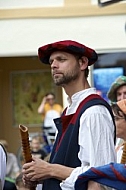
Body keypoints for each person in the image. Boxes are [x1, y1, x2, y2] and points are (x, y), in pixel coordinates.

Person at [22, 40, 116, 190]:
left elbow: (101, 178)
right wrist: (40, 176)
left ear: (83, 63)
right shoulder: (71, 109)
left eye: (61, 59)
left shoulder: (94, 111)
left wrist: (50, 169)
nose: (53, 65)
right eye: (52, 61)